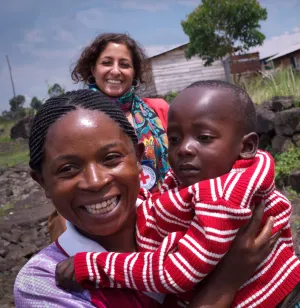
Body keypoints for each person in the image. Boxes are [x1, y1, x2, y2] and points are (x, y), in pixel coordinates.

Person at [14, 90, 278, 308]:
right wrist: (225, 283)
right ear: (42, 182)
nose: (95, 182)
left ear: (139, 158)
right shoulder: (43, 282)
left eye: (111, 158)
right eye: (67, 169)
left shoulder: (187, 212)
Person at [48, 33, 170, 242]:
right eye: (106, 62)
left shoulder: (158, 110)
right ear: (92, 70)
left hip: (166, 218)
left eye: (124, 64)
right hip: (107, 227)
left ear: (134, 72)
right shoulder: (75, 121)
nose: (116, 71)